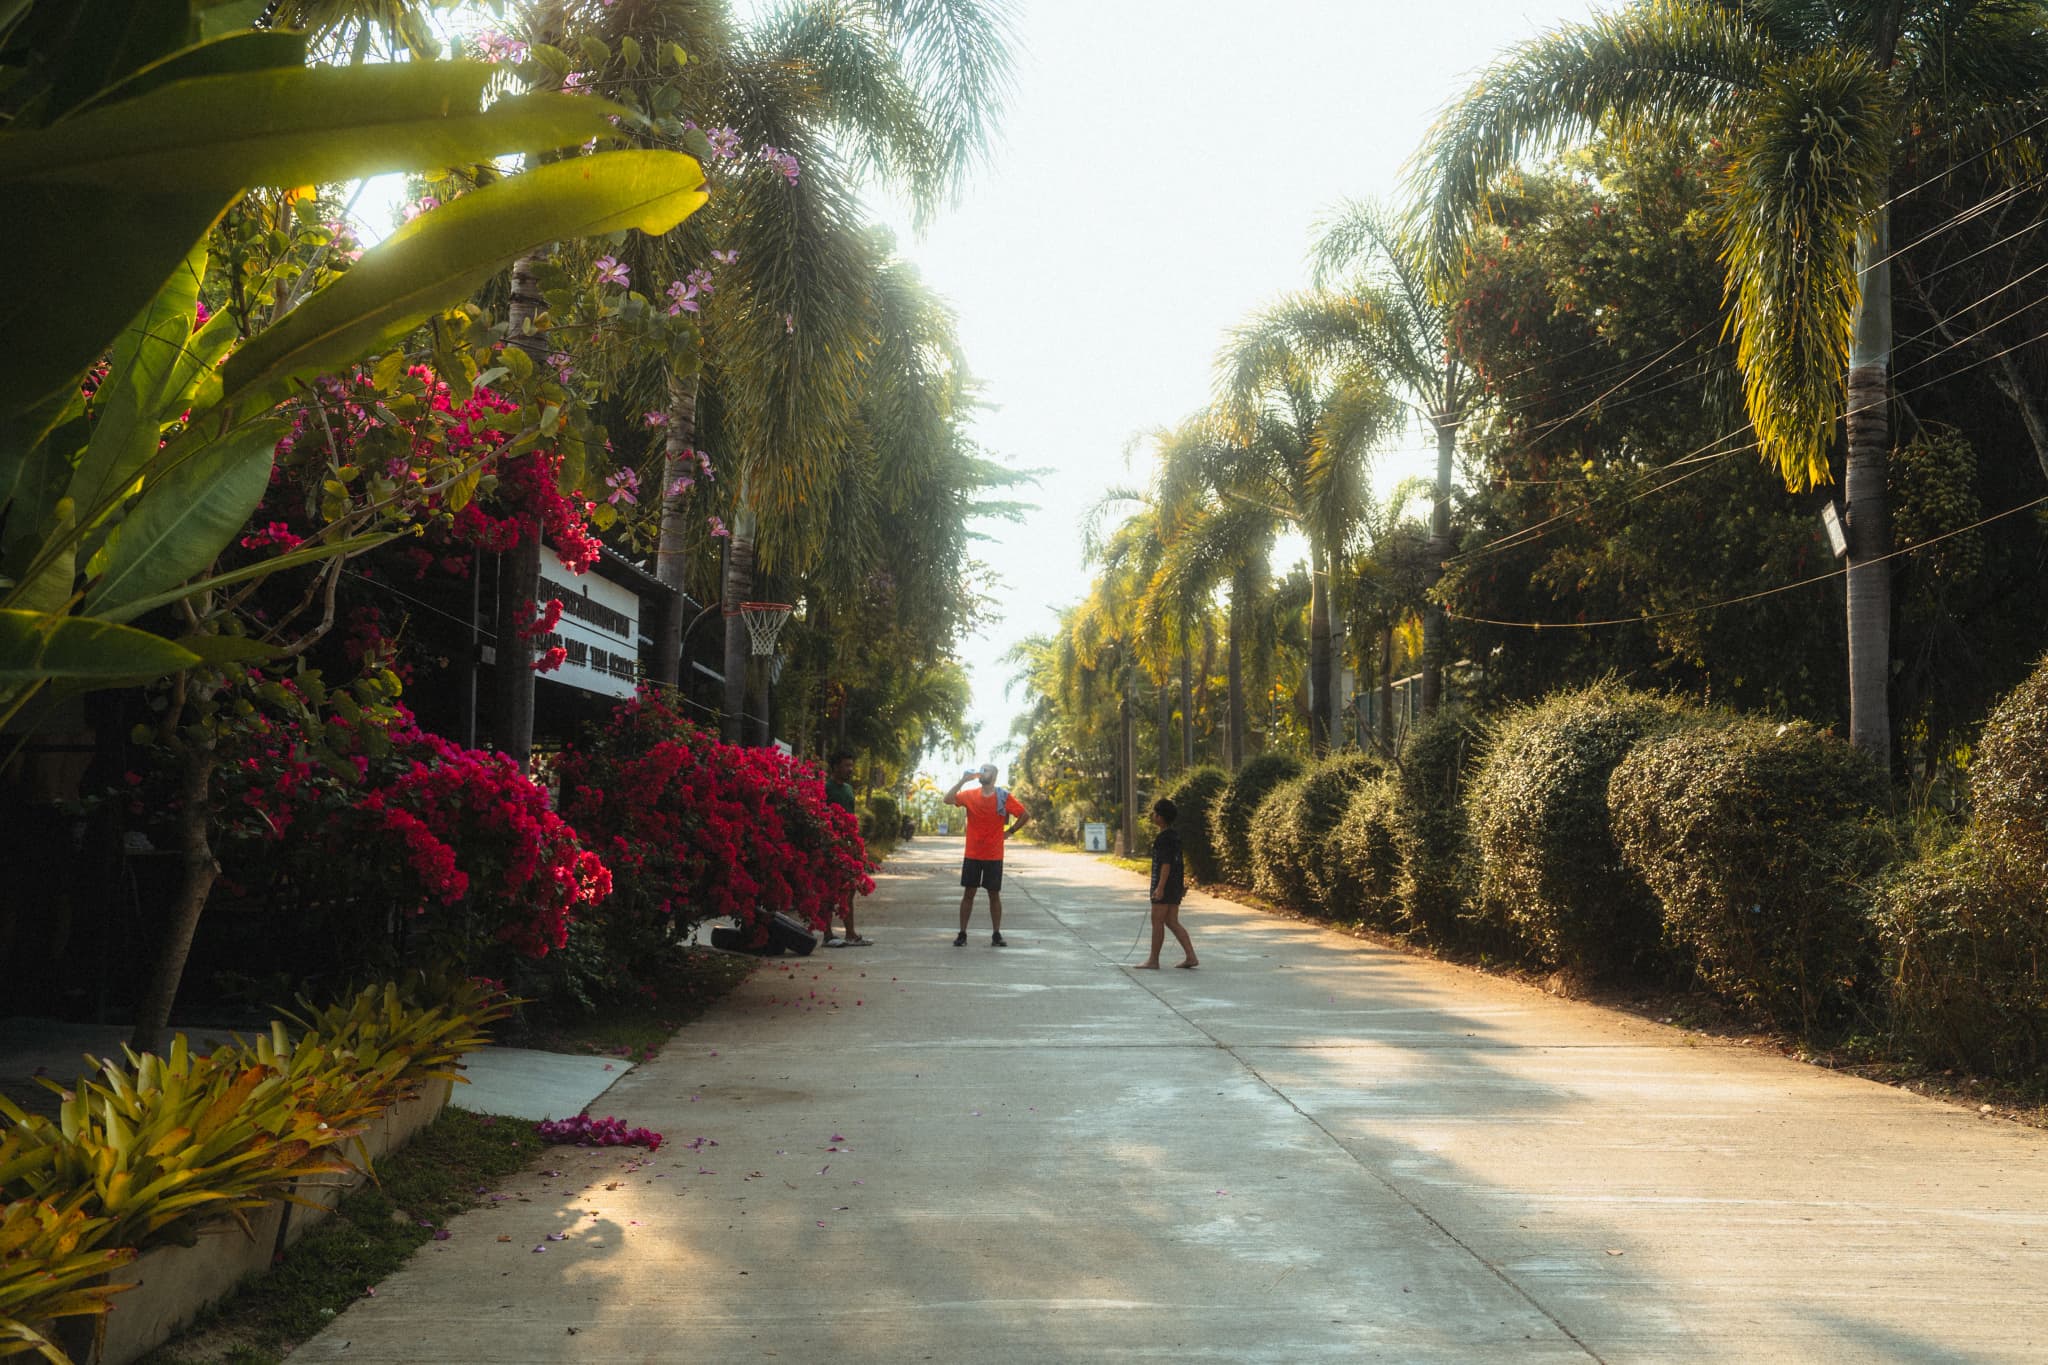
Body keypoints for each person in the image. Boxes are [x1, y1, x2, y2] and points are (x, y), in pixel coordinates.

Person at [945, 763, 1029, 946]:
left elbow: (1024, 814)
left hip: (993, 854)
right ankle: (962, 934)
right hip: (973, 853)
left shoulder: (1003, 797)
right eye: (982, 769)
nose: (983, 772)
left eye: (987, 770)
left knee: (994, 894)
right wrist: (963, 780)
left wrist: (1010, 831)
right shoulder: (970, 795)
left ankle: (996, 934)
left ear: (995, 775)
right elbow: (947, 799)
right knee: (969, 893)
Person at [1133, 797, 1196, 970]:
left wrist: (1160, 888)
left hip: (1165, 885)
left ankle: (1153, 960)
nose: (1153, 815)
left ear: (1159, 817)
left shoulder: (1163, 839)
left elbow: (1166, 864)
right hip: (1174, 884)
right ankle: (1191, 956)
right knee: (1172, 921)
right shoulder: (1175, 836)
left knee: (1157, 921)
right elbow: (1179, 862)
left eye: (1155, 813)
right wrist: (1180, 885)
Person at [821, 752, 870, 946]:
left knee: (849, 890)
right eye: (845, 765)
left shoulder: (849, 789)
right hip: (831, 844)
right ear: (835, 767)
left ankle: (850, 933)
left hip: (849, 845)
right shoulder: (826, 788)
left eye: (851, 765)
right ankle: (827, 934)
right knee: (830, 890)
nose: (850, 769)